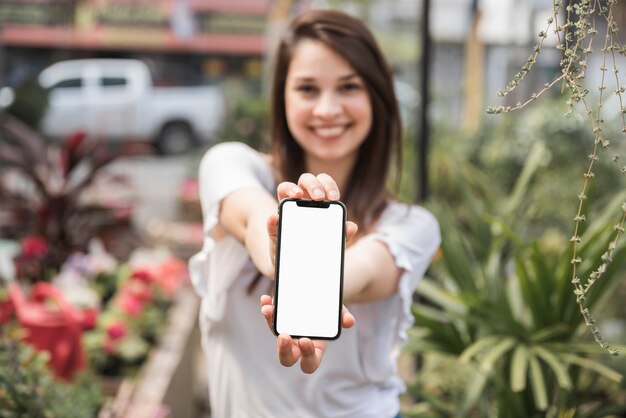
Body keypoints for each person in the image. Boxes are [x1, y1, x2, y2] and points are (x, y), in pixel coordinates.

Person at [189, 8, 441, 418]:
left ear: (376, 97)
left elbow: (363, 272)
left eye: (348, 87)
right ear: (282, 96)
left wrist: (325, 280)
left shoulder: (413, 225)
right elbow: (254, 218)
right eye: (307, 88)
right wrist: (279, 249)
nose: (327, 109)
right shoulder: (230, 164)